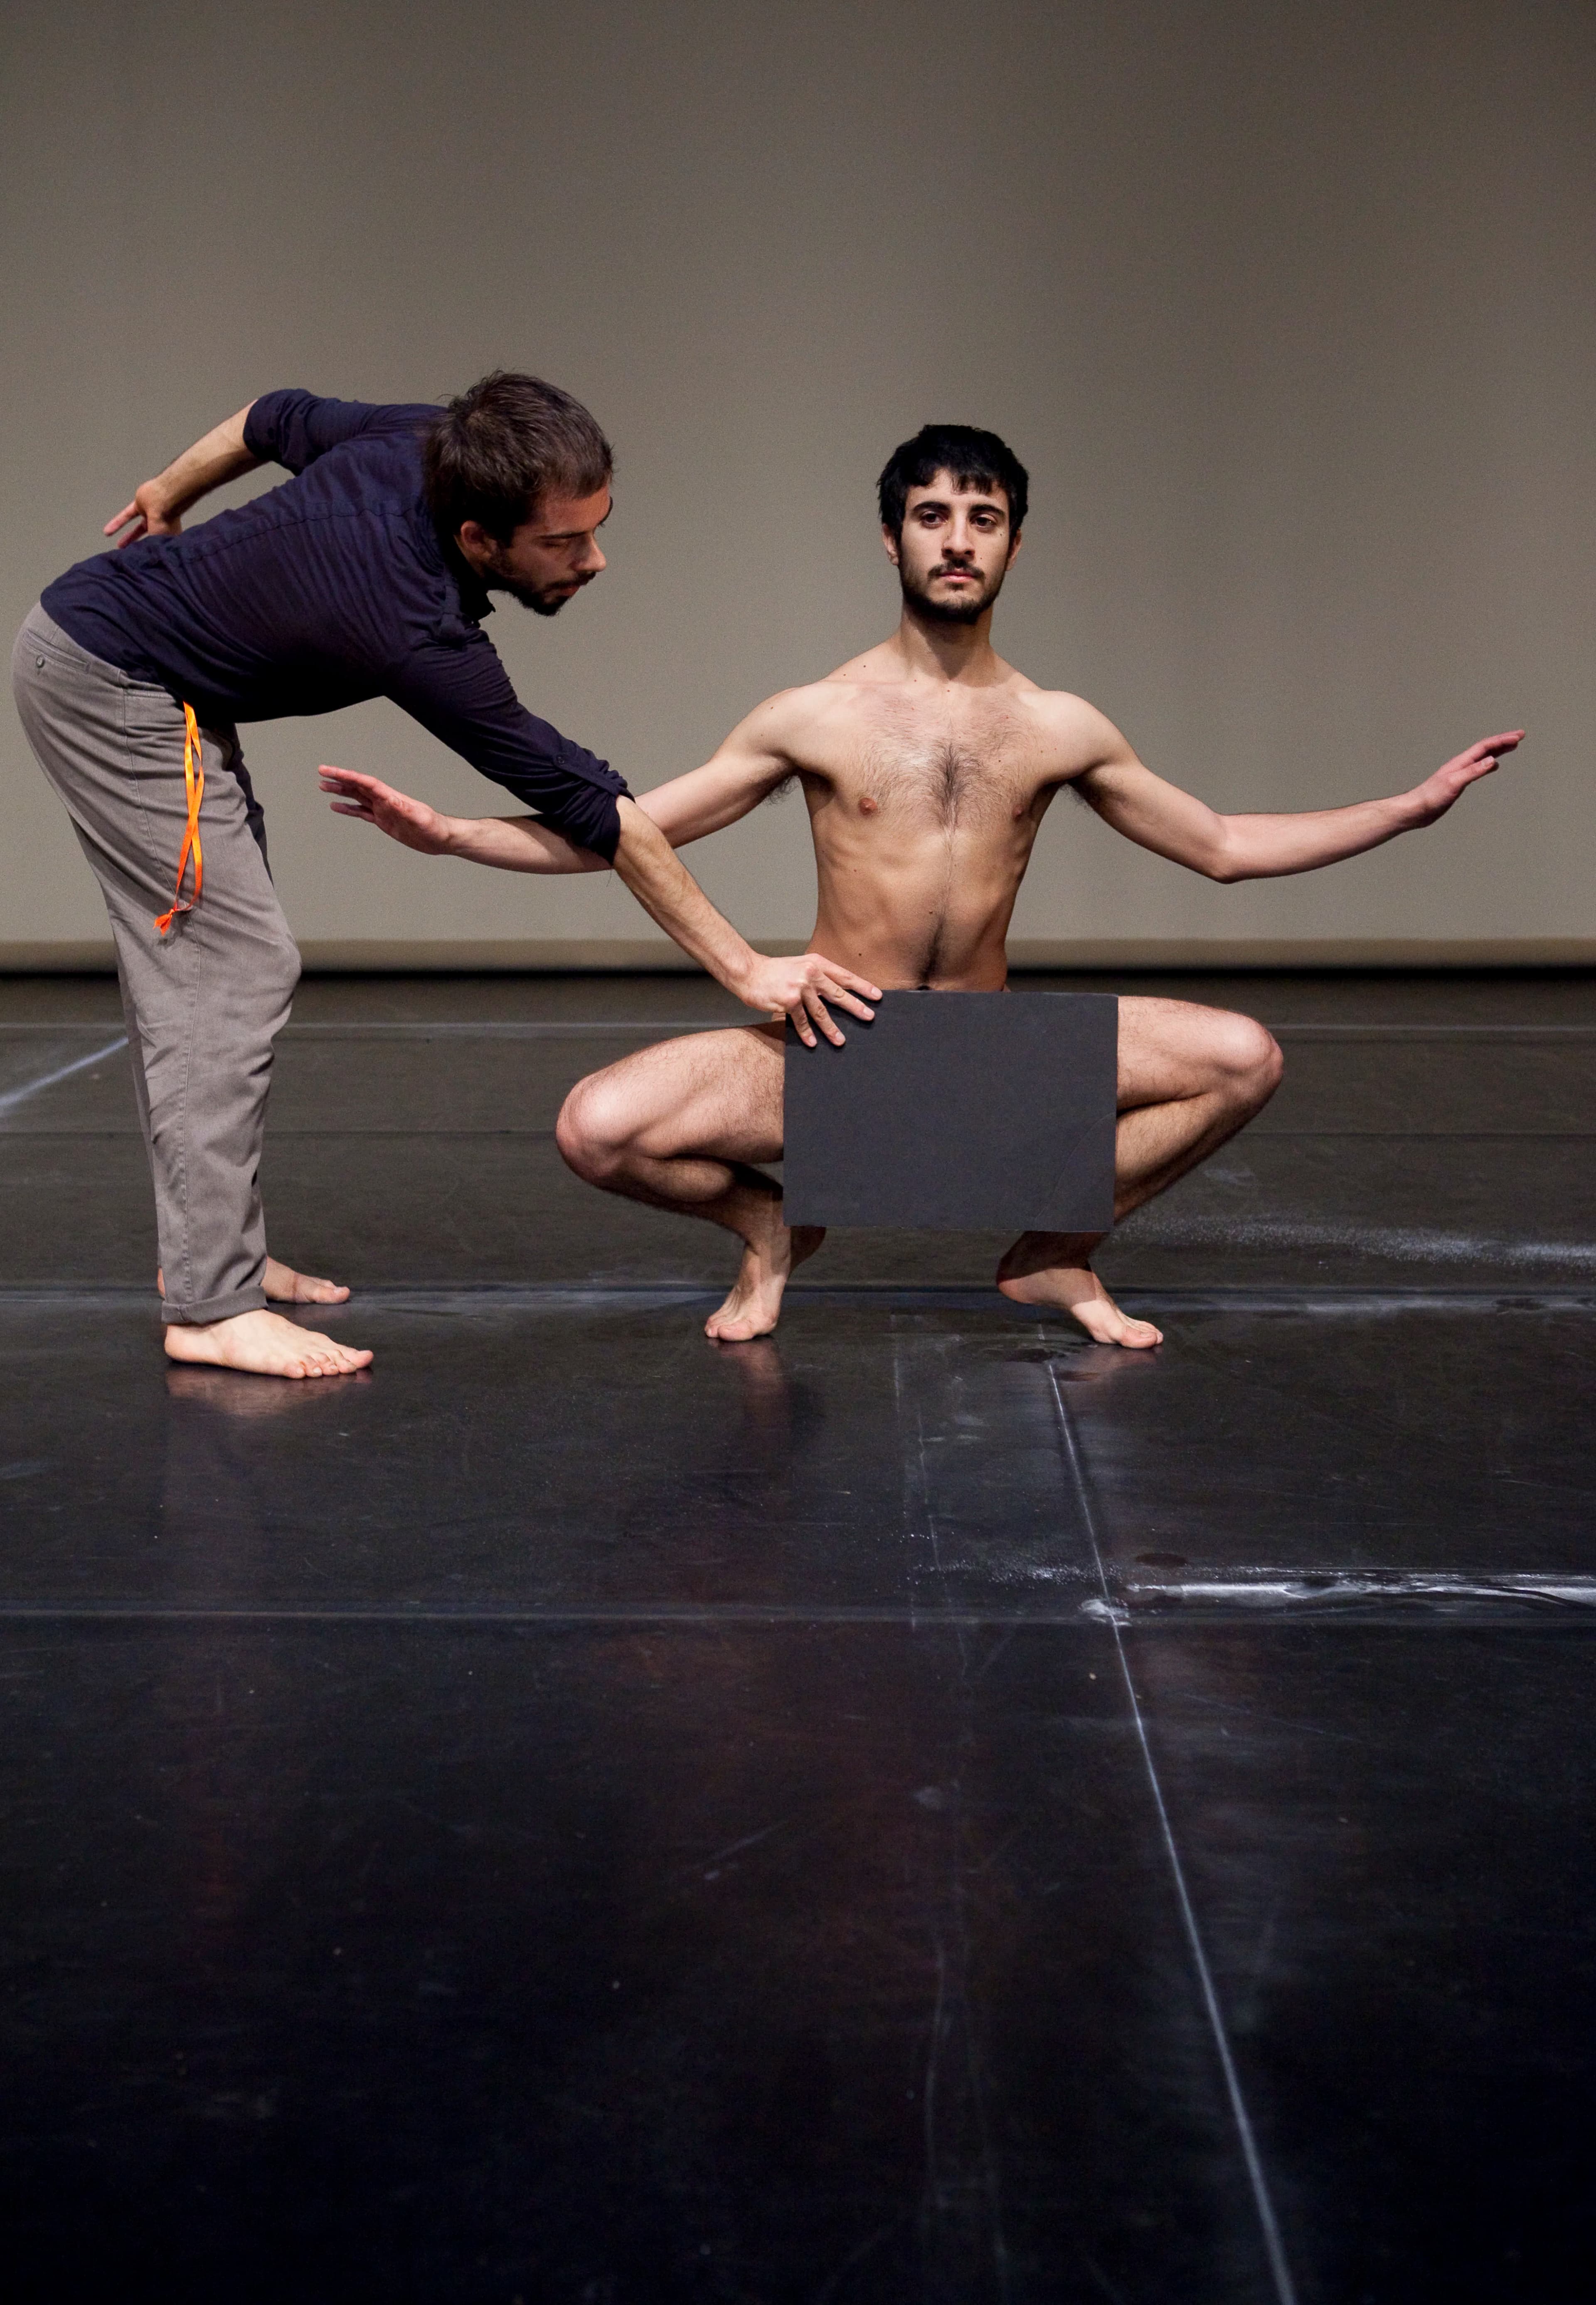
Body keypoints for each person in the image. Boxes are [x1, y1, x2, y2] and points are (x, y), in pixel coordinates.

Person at [323, 422, 1521, 1350]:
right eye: (931, 515)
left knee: (1243, 1056)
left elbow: (1221, 844)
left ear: (1013, 541)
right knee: (595, 1126)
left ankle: (1051, 1250)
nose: (957, 538)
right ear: (890, 538)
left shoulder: (1059, 726)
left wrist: (1407, 811)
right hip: (841, 1048)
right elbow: (622, 833)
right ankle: (771, 1227)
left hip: (990, 1057)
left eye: (984, 517)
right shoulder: (815, 715)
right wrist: (452, 837)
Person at [10, 376, 877, 1378]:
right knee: (234, 971)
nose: (594, 560)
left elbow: (272, 415)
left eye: (598, 529)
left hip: (147, 671)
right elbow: (602, 814)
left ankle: (212, 1261)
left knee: (210, 972)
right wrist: (744, 968)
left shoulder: (433, 439)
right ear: (478, 539)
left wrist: (168, 490)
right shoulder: (413, 622)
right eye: (563, 544)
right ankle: (210, 1303)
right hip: (114, 684)